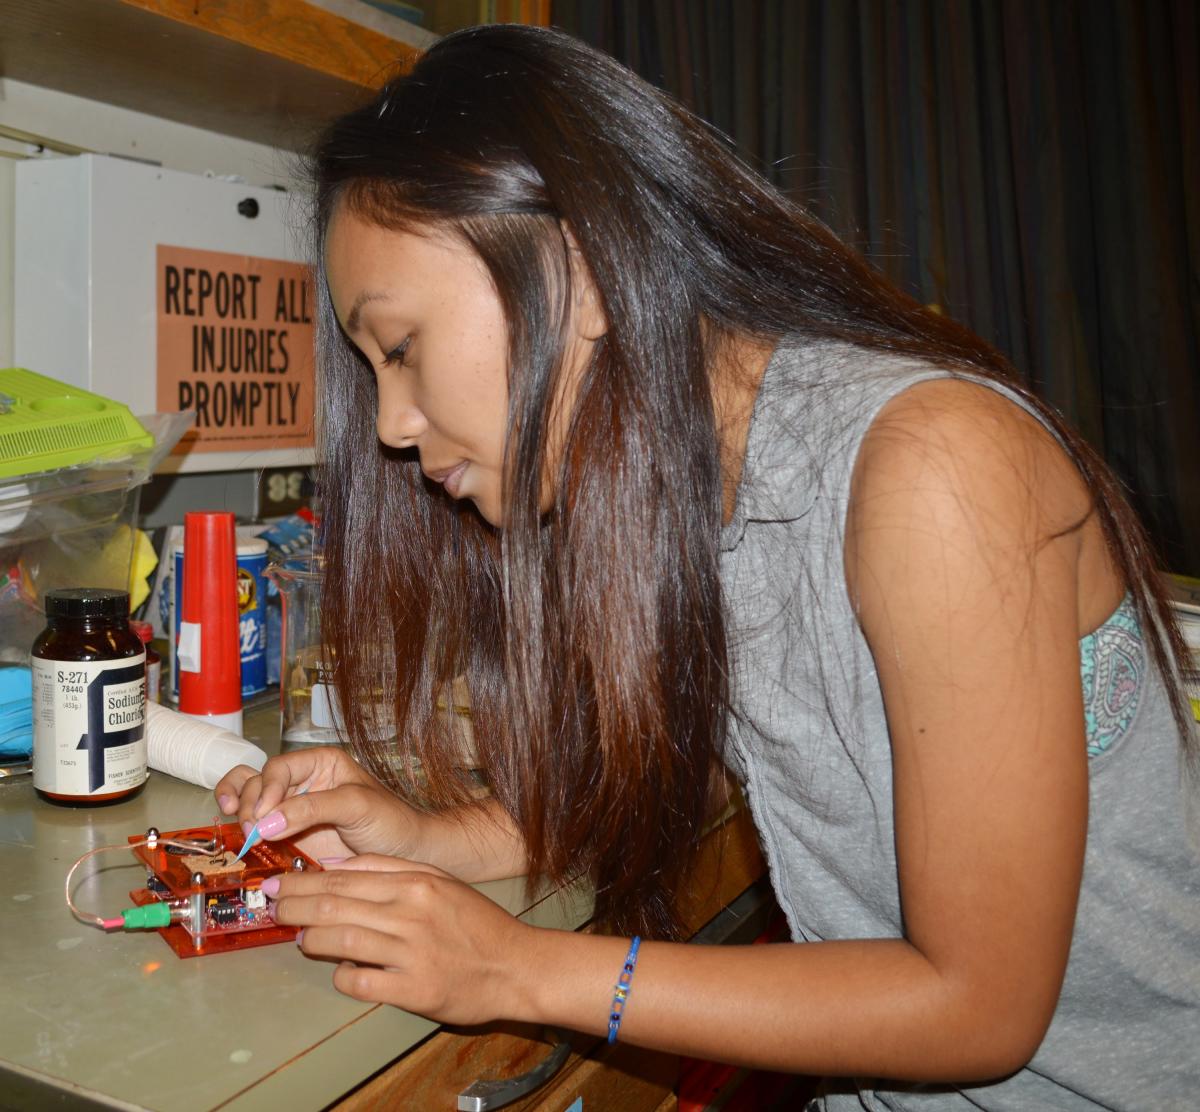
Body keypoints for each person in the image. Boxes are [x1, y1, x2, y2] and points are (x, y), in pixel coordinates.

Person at [216, 24, 1199, 1109]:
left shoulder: (934, 469)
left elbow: (979, 1005)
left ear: (578, 266)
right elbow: (745, 769)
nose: (395, 423)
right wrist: (435, 839)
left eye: (398, 347)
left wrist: (517, 965)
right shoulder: (698, 484)